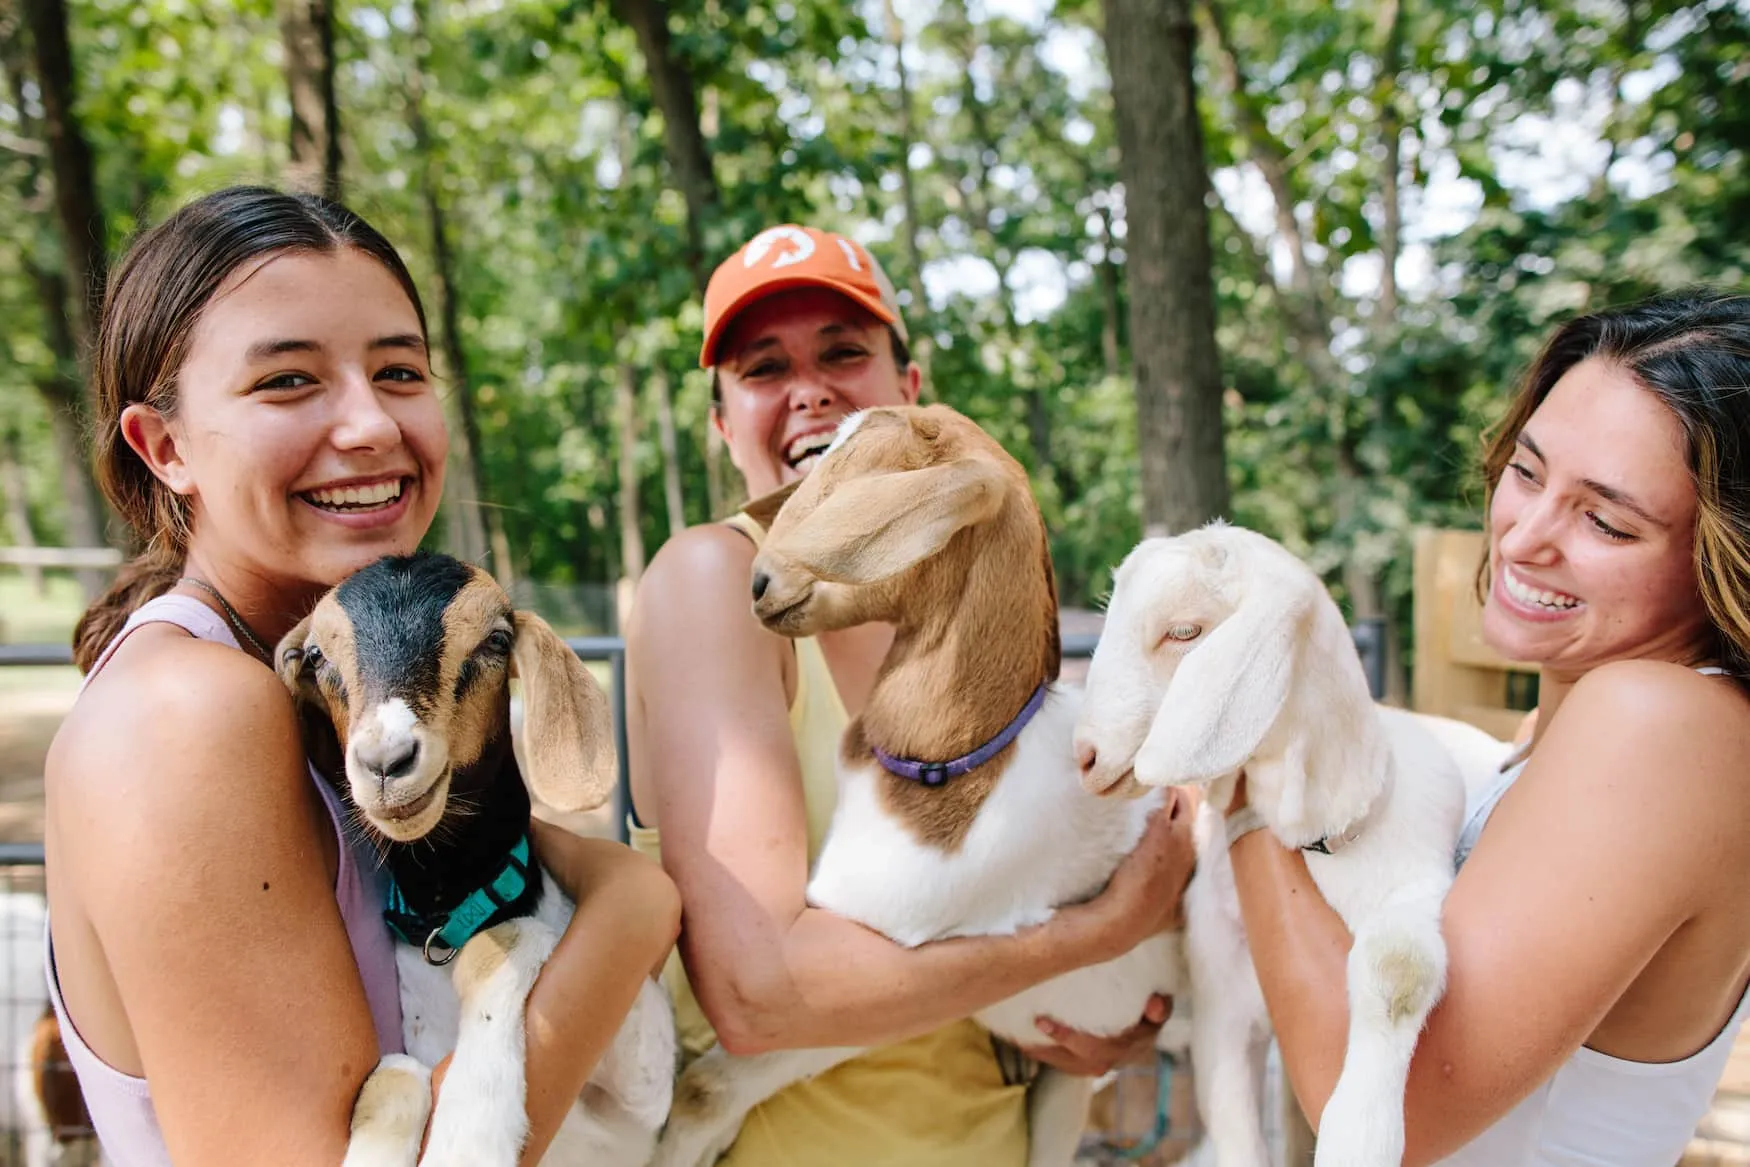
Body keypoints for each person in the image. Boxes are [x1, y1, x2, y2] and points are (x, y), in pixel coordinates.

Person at [44, 186, 681, 1166]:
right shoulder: (186, 711)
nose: (372, 426)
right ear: (164, 447)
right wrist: (632, 915)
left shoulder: (304, 692)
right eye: (289, 382)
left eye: (399, 370)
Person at [624, 224, 1199, 1165]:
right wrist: (1096, 934)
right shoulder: (709, 579)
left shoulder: (969, 617)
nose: (809, 387)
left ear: (909, 394)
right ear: (725, 428)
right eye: (763, 367)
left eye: (844, 351)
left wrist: (1107, 1019)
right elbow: (757, 994)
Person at [1225, 289, 1750, 1165]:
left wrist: (1242, 778)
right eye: (1528, 470)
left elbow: (1394, 1109)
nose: (1524, 537)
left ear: (1719, 559)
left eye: (1606, 521)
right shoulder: (1559, 743)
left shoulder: (1659, 723)